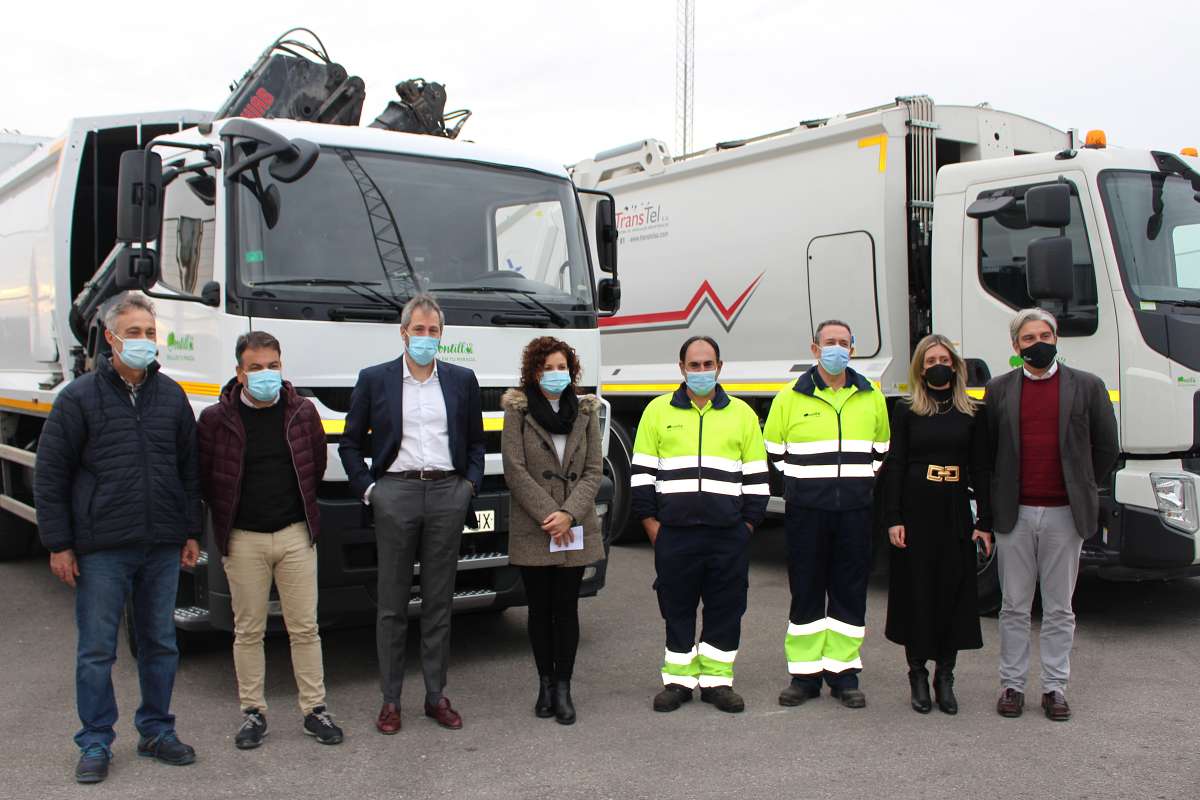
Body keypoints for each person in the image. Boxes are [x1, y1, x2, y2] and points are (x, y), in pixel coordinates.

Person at [34, 292, 200, 784]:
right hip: (102, 547)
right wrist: (59, 543)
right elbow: (51, 475)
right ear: (110, 338)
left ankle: (156, 730)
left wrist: (189, 530)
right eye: (134, 333)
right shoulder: (78, 398)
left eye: (150, 333)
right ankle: (95, 740)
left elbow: (189, 471)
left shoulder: (171, 396)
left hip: (161, 544)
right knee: (97, 650)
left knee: (160, 643)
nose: (145, 342)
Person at [339, 293, 485, 734]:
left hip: (447, 493)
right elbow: (348, 444)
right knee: (392, 604)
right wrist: (370, 491)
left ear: (442, 335)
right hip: (395, 494)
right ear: (403, 333)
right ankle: (390, 701)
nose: (425, 338)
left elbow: (476, 441)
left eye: (433, 331)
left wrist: (469, 486)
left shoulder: (462, 380)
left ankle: (435, 696)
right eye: (418, 330)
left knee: (440, 602)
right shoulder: (375, 379)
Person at [197, 331, 343, 748]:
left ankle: (315, 711)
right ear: (239, 373)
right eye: (256, 367)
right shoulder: (216, 420)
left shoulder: (302, 413)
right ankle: (253, 714)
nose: (266, 374)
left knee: (305, 629)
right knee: (248, 631)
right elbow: (208, 479)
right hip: (243, 540)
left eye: (273, 366)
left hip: (296, 535)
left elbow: (313, 467)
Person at [986, 308, 1118, 721]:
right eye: (1028, 338)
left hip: (1065, 514)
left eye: (1045, 335)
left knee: (1060, 608)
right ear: (1015, 346)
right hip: (1015, 513)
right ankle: (1012, 685)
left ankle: (1055, 687)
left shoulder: (1087, 386)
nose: (1038, 343)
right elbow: (988, 453)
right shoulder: (999, 390)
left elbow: (1106, 448)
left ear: (1056, 338)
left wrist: (1081, 486)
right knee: (1013, 606)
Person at [631, 335, 769, 714]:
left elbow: (757, 478)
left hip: (728, 535)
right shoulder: (657, 412)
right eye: (695, 365)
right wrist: (651, 525)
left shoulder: (741, 414)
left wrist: (747, 528)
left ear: (720, 368)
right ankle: (677, 682)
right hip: (674, 534)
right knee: (676, 608)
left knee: (726, 608)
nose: (702, 372)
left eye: (709, 365)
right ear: (682, 369)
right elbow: (642, 475)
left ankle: (716, 682)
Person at [765, 319, 889, 709]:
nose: (836, 348)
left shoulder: (871, 395)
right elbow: (774, 449)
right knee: (806, 591)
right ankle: (803, 678)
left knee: (849, 592)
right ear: (815, 348)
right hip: (807, 511)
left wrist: (856, 482)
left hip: (854, 510)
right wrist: (804, 484)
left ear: (853, 347)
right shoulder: (790, 397)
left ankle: (843, 675)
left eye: (843, 342)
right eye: (829, 342)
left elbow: (881, 448)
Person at [882, 334, 993, 715]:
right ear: (920, 369)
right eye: (929, 362)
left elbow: (981, 468)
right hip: (916, 511)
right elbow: (895, 464)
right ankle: (917, 673)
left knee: (953, 592)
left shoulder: (973, 412)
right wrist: (893, 517)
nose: (937, 366)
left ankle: (945, 675)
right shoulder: (906, 409)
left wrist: (986, 521)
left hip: (955, 511)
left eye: (943, 359)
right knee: (918, 592)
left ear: (956, 364)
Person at [501, 336, 605, 725]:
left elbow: (594, 469)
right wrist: (551, 515)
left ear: (572, 371)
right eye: (548, 368)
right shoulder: (518, 411)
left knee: (567, 607)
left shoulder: (585, 411)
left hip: (574, 526)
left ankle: (564, 687)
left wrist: (570, 514)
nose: (556, 374)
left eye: (562, 367)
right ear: (534, 372)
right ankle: (544, 684)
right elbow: (514, 469)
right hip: (536, 526)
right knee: (539, 610)